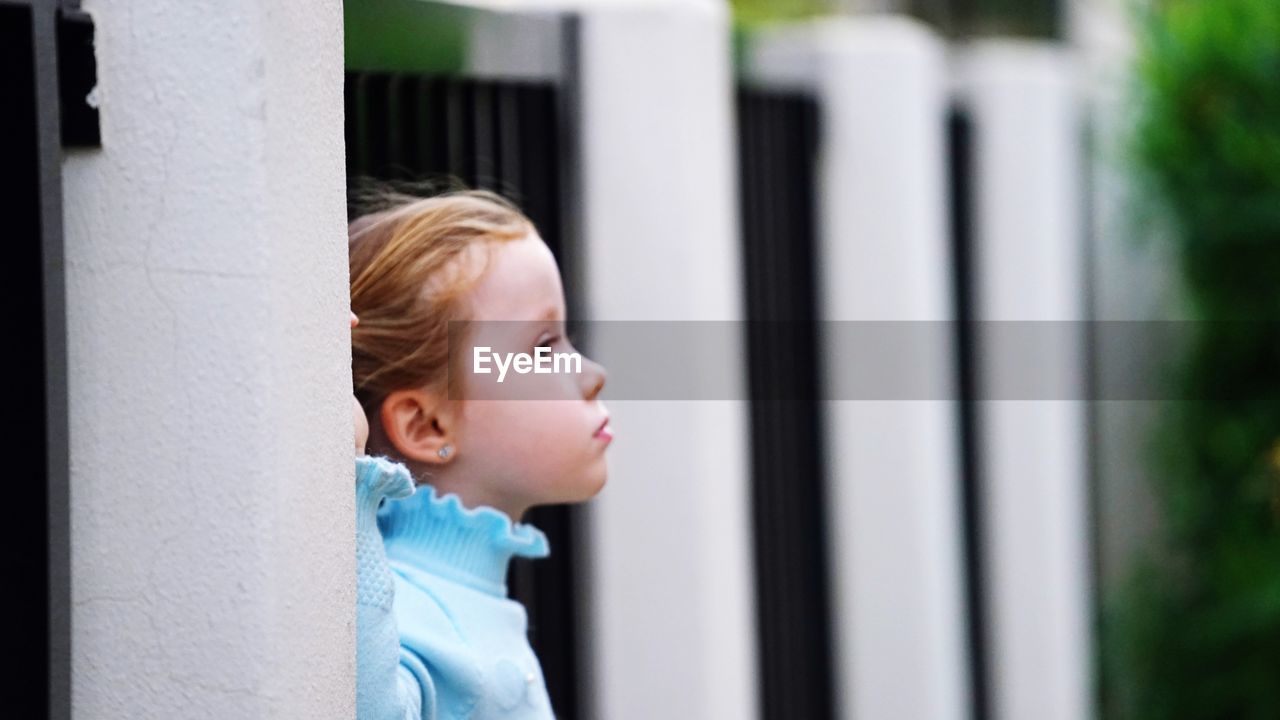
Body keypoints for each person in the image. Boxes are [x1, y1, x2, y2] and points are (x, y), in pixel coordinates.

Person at [348, 189, 611, 719]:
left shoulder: (456, 601)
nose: (591, 375)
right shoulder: (410, 615)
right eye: (543, 347)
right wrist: (354, 493)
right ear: (427, 425)